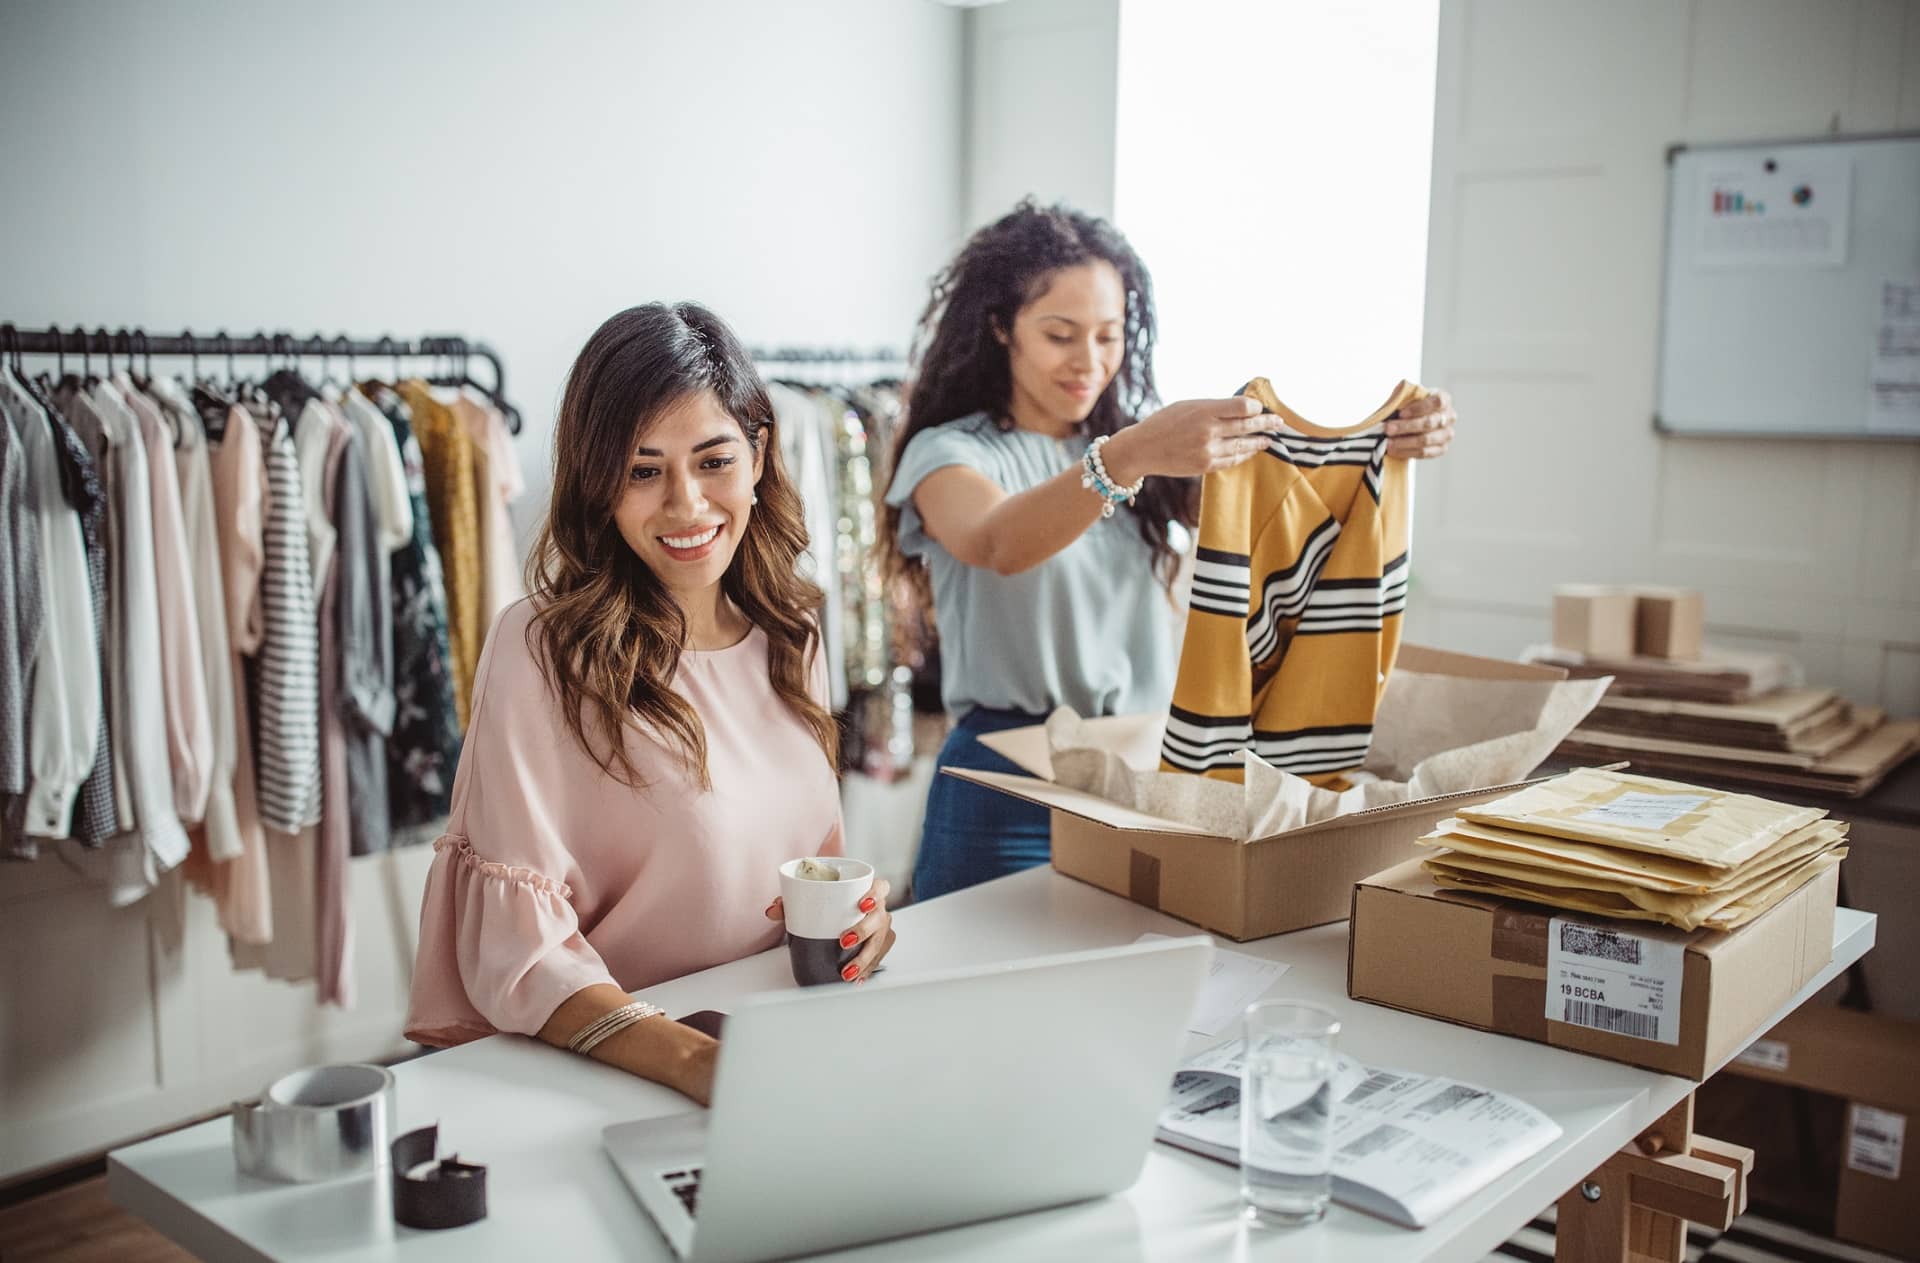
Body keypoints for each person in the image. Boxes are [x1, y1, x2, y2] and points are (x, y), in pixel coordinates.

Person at [882, 200, 1458, 902]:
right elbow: (998, 541)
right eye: (1060, 334)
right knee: (974, 995)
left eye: (1108, 335)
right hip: (1006, 784)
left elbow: (1286, 502)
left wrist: (1392, 438)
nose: (1088, 362)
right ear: (1001, 327)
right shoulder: (950, 452)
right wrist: (1129, 456)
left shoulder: (1144, 454)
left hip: (1141, 775)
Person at [406, 303, 895, 1105]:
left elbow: (810, 868)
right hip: (610, 1079)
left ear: (760, 454)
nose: (686, 506)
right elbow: (520, 953)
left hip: (782, 1051)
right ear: (599, 482)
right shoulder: (541, 650)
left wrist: (862, 923)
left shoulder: (791, 629)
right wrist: (697, 1064)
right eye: (643, 470)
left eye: (713, 461)